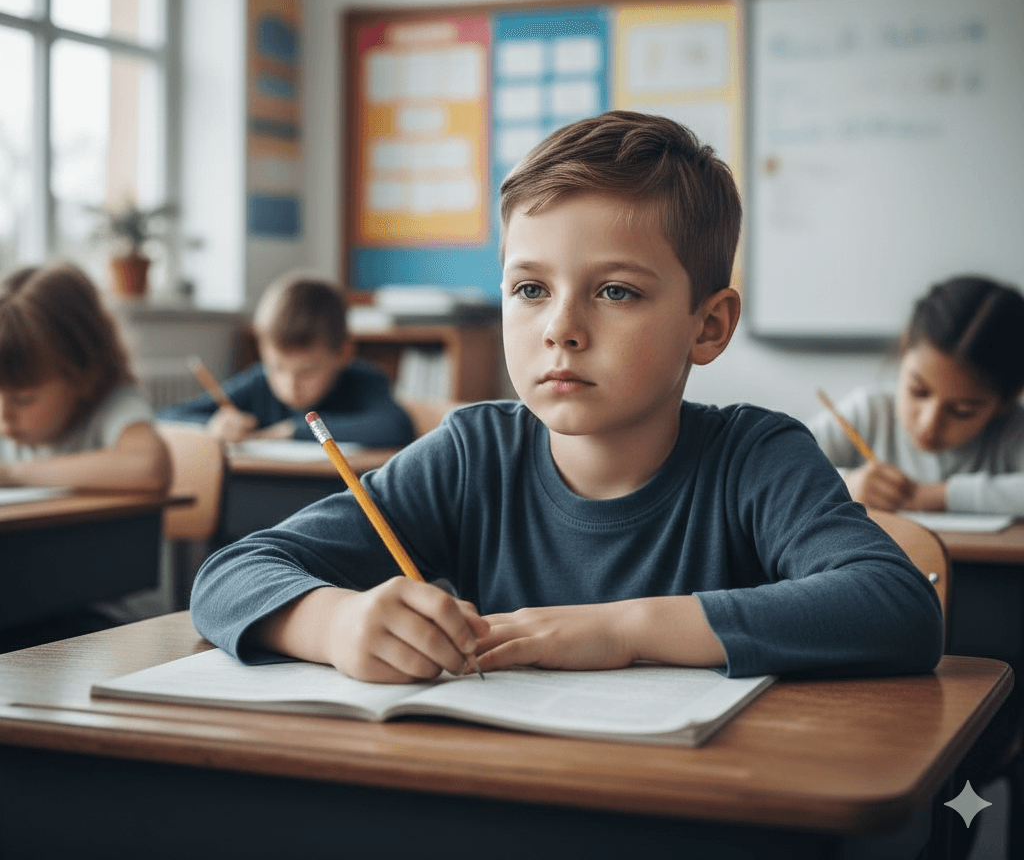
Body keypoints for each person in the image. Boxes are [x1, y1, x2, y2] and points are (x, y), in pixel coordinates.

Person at [190, 111, 943, 685]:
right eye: (530, 289)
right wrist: (336, 623)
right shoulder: (474, 454)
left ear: (707, 325)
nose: (562, 329)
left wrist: (623, 631)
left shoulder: (757, 458)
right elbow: (231, 575)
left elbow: (896, 607)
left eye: (615, 291)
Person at [810, 275, 1024, 515]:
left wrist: (938, 496)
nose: (929, 423)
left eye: (962, 410)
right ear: (904, 350)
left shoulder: (1012, 429)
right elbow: (776, 465)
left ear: (1006, 401)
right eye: (918, 392)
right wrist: (846, 483)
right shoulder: (868, 412)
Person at [160, 272, 414, 448]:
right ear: (262, 349)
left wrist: (292, 431)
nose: (289, 385)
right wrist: (213, 426)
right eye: (277, 368)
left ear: (343, 354)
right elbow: (168, 417)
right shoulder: (259, 384)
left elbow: (395, 426)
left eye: (307, 372)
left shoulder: (363, 381)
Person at [0, 262, 171, 494]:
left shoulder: (114, 406)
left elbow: (149, 468)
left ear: (82, 373)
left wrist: (12, 473)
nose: (4, 418)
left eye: (24, 399)